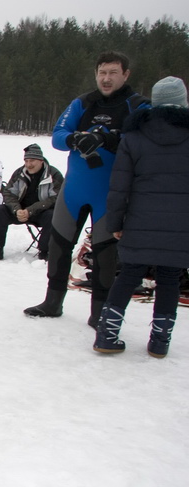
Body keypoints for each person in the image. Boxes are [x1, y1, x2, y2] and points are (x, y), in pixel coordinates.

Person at [24, 51, 150, 327]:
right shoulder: (83, 103)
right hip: (75, 188)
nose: (106, 79)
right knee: (59, 245)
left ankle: (100, 311)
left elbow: (143, 138)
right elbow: (57, 135)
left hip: (111, 192)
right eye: (102, 73)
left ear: (125, 74)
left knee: (105, 255)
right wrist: (75, 139)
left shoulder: (137, 105)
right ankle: (52, 301)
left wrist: (106, 138)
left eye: (113, 73)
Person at [93, 76, 189, 358]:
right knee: (170, 279)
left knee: (128, 276)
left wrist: (115, 222)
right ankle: (160, 343)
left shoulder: (133, 136)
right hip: (180, 225)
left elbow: (119, 186)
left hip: (138, 220)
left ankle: (106, 335)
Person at [0, 144, 63, 260]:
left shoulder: (53, 175)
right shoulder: (20, 172)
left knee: (52, 215)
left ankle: (45, 252)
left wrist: (31, 210)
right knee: (1, 210)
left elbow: (56, 198)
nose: (29, 165)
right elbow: (8, 193)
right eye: (26, 161)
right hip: (20, 211)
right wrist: (17, 209)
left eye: (32, 161)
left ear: (41, 160)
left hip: (42, 212)